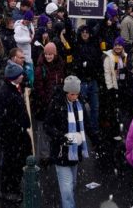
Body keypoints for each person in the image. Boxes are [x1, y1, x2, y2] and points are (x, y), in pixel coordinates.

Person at [45, 75, 89, 208]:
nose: (75, 97)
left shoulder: (79, 103)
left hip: (75, 151)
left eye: (77, 94)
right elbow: (47, 126)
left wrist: (96, 139)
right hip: (61, 152)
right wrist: (62, 137)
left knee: (72, 184)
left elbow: (86, 123)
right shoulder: (56, 104)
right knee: (67, 187)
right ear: (66, 92)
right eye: (72, 94)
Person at [0, 61, 32, 203]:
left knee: (15, 163)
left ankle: (13, 188)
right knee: (11, 165)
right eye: (20, 75)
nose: (23, 76)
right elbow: (6, 118)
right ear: (14, 78)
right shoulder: (6, 93)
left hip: (16, 134)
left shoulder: (12, 88)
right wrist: (21, 125)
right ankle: (9, 191)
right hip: (12, 136)